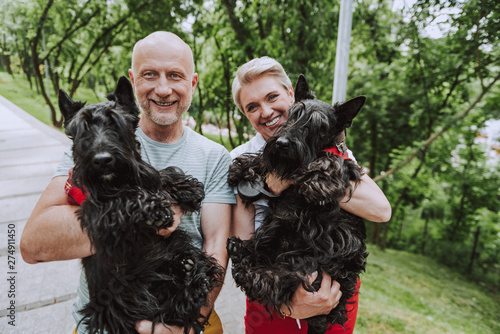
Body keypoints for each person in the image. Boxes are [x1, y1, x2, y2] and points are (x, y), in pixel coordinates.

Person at [20, 31, 236, 334]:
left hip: (187, 314)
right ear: (133, 83)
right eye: (150, 75)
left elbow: (216, 247)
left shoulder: (214, 156)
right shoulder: (91, 145)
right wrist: (140, 219)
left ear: (192, 83)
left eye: (175, 75)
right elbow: (32, 246)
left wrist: (186, 326)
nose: (163, 89)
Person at [230, 56, 392, 333]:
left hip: (333, 292)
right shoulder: (240, 157)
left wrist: (293, 177)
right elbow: (243, 246)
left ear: (292, 95)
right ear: (246, 114)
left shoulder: (332, 149)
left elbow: (381, 210)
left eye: (272, 97)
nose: (266, 111)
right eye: (253, 107)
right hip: (272, 296)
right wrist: (286, 304)